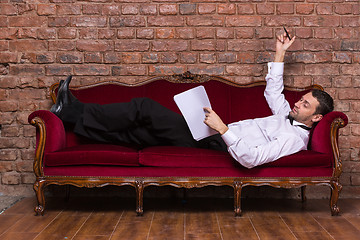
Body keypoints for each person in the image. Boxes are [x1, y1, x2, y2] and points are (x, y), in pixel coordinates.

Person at [50, 32, 334, 169]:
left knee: (144, 107)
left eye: (305, 105)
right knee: (137, 134)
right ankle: (70, 117)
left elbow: (252, 159)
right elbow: (273, 90)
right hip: (210, 133)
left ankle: (74, 109)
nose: (297, 103)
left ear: (317, 118)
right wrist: (280, 51)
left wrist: (223, 129)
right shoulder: (285, 115)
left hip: (216, 144)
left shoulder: (294, 140)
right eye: (301, 99)